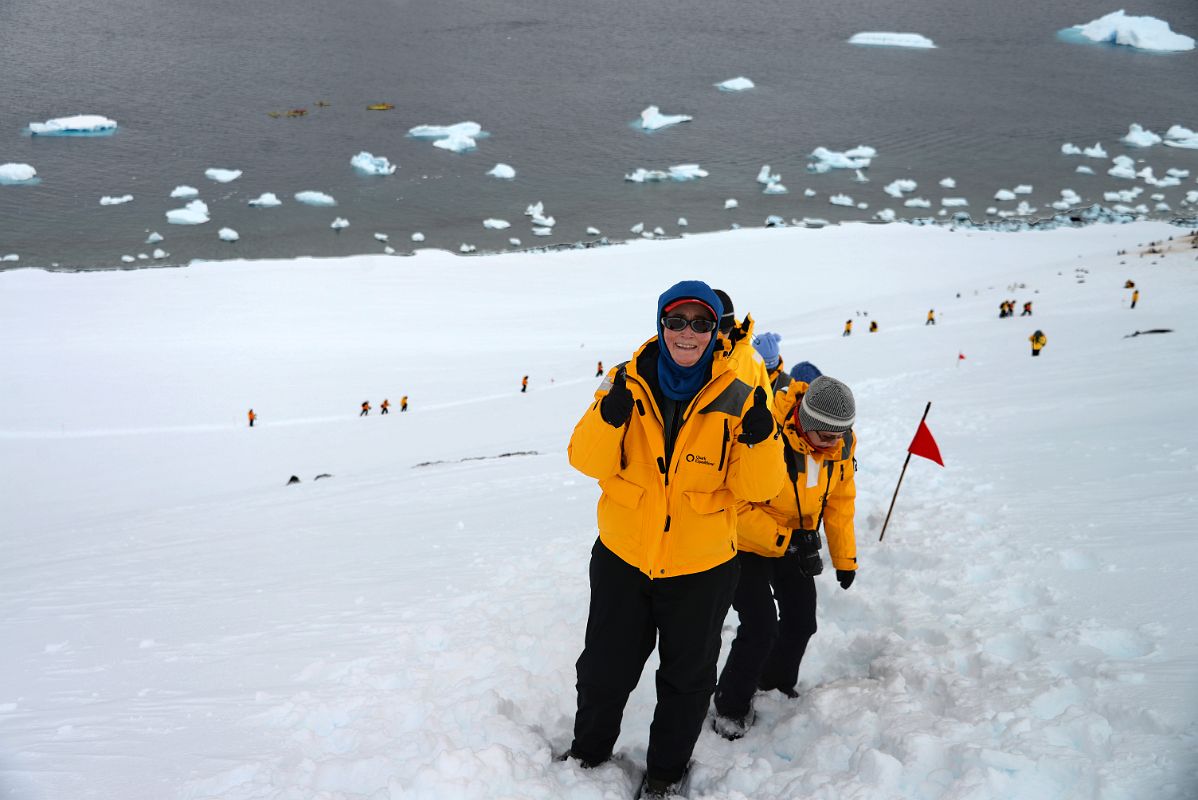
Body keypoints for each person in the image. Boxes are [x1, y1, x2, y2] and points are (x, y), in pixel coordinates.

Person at [564, 280, 785, 799]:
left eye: (701, 323)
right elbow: (585, 460)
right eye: (677, 321)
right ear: (660, 324)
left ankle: (665, 774)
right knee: (604, 668)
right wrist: (607, 416)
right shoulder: (624, 382)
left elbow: (759, 488)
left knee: (687, 681)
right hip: (624, 558)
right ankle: (588, 755)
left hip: (702, 567)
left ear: (715, 330)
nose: (688, 333)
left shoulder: (740, 394)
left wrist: (760, 436)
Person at [712, 375, 859, 740]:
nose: (835, 444)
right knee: (760, 627)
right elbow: (735, 502)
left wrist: (846, 558)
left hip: (794, 542)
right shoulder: (767, 435)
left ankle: (773, 684)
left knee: (801, 621)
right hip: (746, 542)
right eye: (826, 436)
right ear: (805, 424)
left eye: (841, 435)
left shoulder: (839, 446)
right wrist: (783, 537)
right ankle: (730, 705)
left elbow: (840, 501)